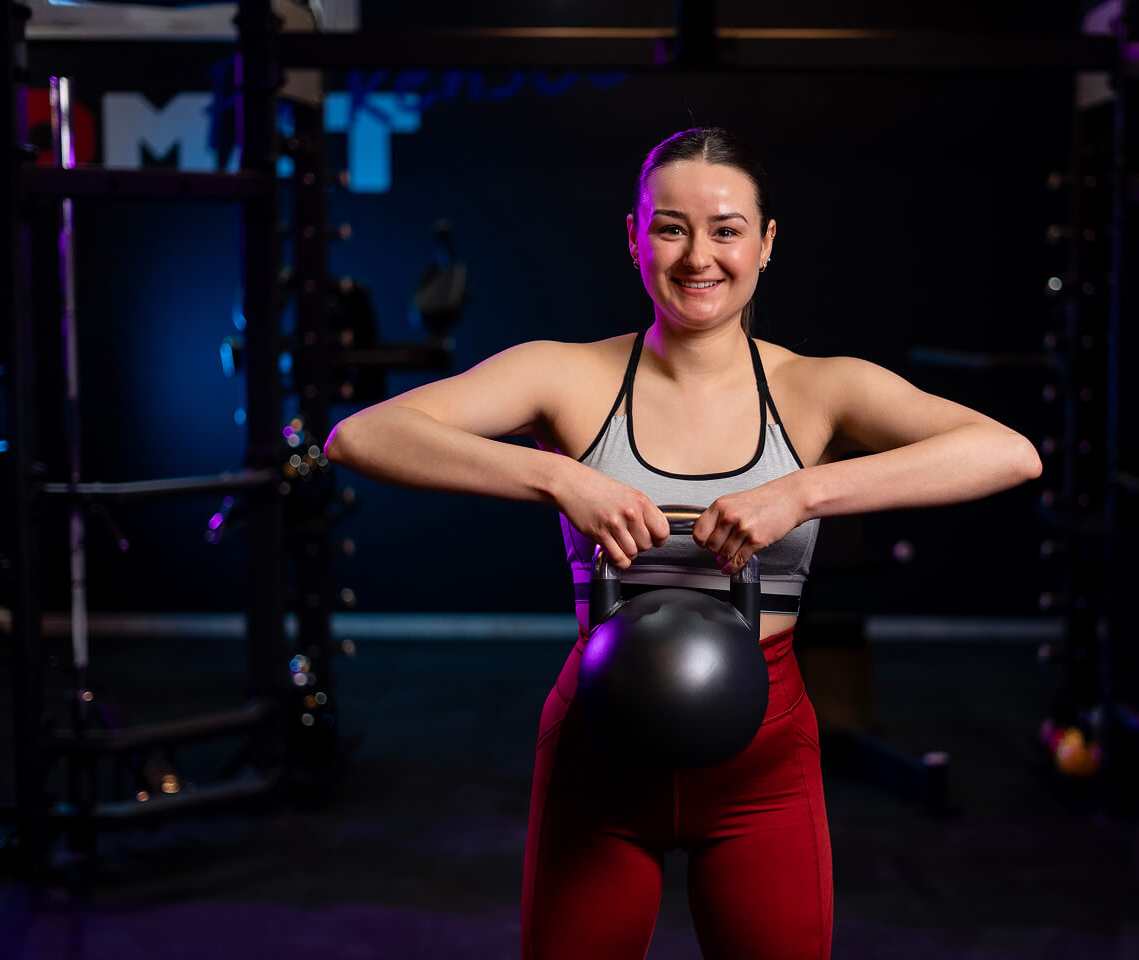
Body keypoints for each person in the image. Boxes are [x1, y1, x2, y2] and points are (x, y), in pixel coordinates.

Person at [324, 126, 1042, 960]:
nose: (699, 255)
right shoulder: (567, 377)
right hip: (600, 752)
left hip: (760, 768)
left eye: (727, 228)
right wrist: (559, 478)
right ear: (634, 237)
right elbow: (362, 436)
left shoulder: (817, 389)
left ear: (766, 243)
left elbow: (1008, 452)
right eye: (670, 227)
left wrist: (803, 491)